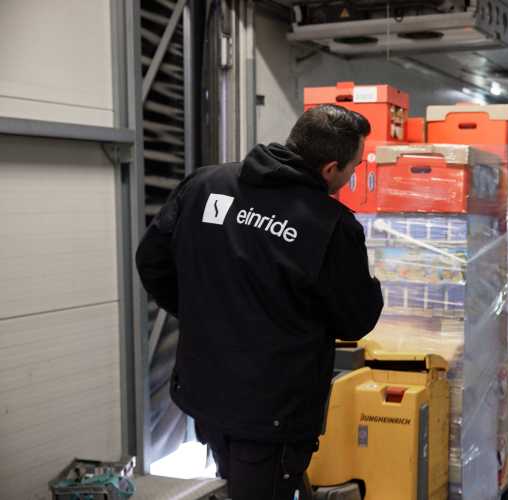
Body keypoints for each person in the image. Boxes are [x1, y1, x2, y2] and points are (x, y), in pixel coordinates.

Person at [136, 104, 383, 499]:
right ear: (329, 169)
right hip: (272, 413)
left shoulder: (204, 185)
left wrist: (204, 313)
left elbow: (151, 262)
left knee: (236, 480)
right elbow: (355, 321)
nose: (352, 177)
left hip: (206, 390)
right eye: (353, 168)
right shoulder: (331, 227)